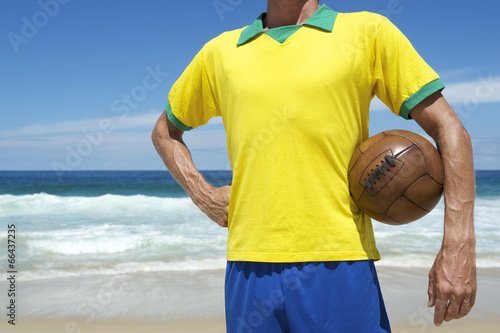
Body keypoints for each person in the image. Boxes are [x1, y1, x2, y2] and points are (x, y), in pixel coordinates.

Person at [152, 0, 476, 331]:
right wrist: (202, 193)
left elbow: (449, 128)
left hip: (339, 264)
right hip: (248, 267)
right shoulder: (219, 52)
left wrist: (458, 245)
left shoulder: (369, 32)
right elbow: (165, 131)